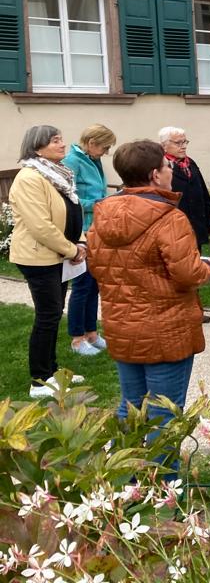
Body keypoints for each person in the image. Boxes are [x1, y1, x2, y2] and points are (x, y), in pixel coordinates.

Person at [86, 140, 210, 445]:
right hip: (165, 329)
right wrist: (206, 268)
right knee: (164, 418)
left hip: (122, 326)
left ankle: (125, 482)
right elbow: (187, 274)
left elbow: (98, 266)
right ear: (156, 175)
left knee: (130, 409)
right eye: (167, 166)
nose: (171, 170)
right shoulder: (170, 218)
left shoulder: (103, 216)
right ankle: (165, 489)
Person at [9, 125, 87, 398]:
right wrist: (71, 250)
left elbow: (68, 213)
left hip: (57, 255)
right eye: (55, 141)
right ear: (37, 146)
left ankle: (52, 371)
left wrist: (80, 242)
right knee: (47, 316)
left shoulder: (56, 174)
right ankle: (39, 381)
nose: (63, 144)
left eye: (61, 139)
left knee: (53, 314)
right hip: (38, 257)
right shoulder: (30, 178)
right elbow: (40, 226)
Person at [62, 124, 116, 356]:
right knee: (82, 285)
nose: (105, 152)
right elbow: (67, 198)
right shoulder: (72, 161)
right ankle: (77, 338)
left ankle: (92, 333)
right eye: (104, 147)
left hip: (97, 228)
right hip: (82, 231)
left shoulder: (93, 159)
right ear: (92, 143)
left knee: (94, 284)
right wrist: (95, 205)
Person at [160, 126, 210, 324]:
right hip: (175, 225)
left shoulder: (190, 163)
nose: (183, 146)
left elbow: (203, 191)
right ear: (164, 145)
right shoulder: (162, 167)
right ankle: (180, 311)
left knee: (194, 268)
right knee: (178, 270)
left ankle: (194, 309)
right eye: (178, 143)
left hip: (196, 223)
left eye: (185, 142)